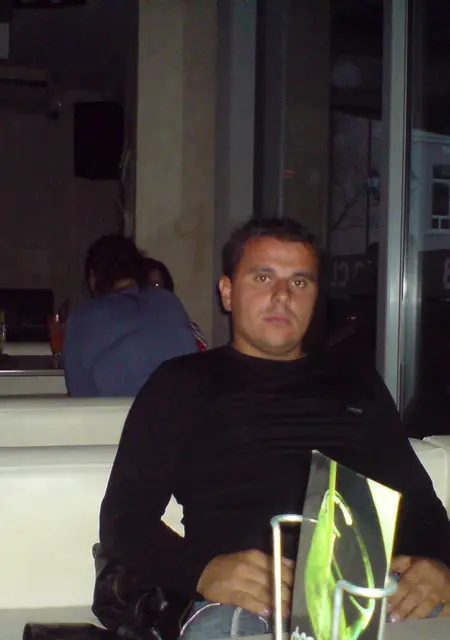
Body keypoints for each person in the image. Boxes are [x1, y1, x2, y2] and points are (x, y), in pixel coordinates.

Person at [100, 218, 450, 639]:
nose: (282, 295)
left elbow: (419, 502)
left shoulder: (357, 382)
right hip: (250, 601)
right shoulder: (181, 383)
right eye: (263, 277)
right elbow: (123, 520)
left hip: (371, 590)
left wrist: (439, 564)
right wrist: (203, 570)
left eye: (300, 282)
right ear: (227, 292)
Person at [63, 234, 197, 397]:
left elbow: (78, 391)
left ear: (93, 276)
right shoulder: (170, 301)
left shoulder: (84, 317)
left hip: (122, 411)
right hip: (184, 407)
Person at [144, 257, 208, 351]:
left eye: (157, 285)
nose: (151, 291)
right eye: (145, 285)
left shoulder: (186, 328)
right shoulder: (129, 330)